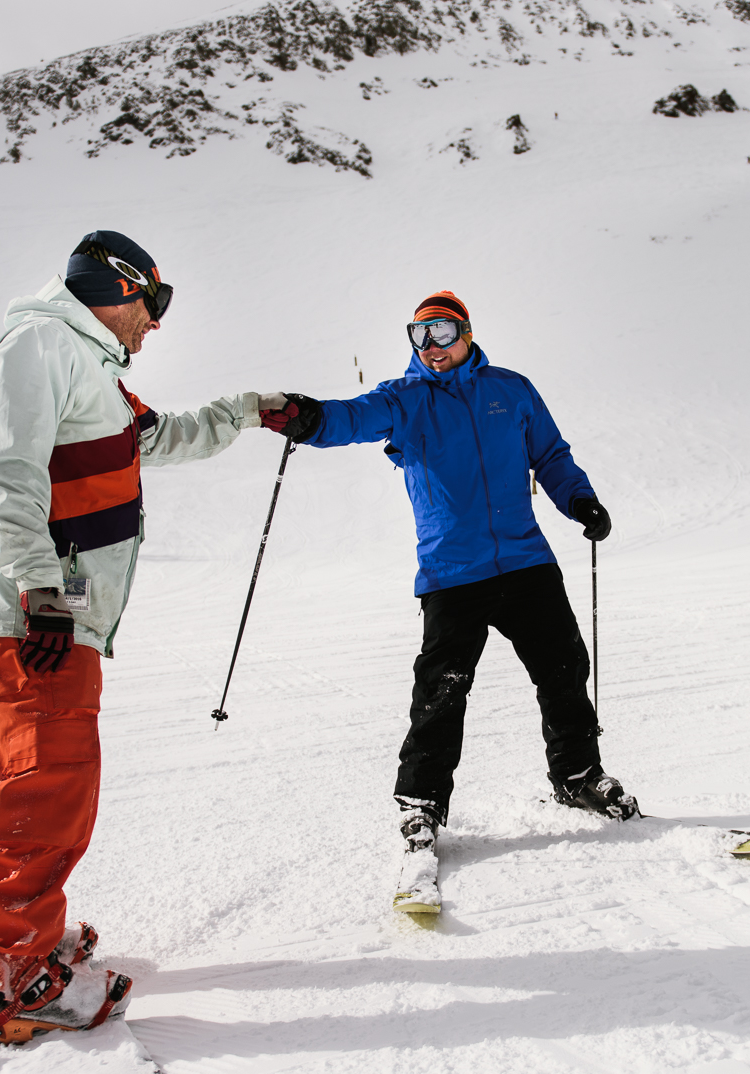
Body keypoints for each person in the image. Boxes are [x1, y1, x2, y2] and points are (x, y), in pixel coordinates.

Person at [0, 230, 289, 1042]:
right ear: (118, 289)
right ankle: (14, 973)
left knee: (42, 780)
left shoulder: (88, 365)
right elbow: (6, 469)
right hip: (34, 616)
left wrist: (245, 411)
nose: (156, 325)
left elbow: (158, 438)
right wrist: (39, 589)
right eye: (153, 303)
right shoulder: (41, 344)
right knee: (47, 787)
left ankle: (16, 931)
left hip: (53, 611)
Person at [267, 290, 635, 911]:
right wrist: (307, 416)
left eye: (441, 332)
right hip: (452, 572)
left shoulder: (510, 389)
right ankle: (421, 807)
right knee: (442, 691)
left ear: (466, 332)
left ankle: (577, 777)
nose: (431, 347)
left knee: (565, 670)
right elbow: (351, 418)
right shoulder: (406, 400)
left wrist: (580, 501)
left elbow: (550, 455)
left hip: (526, 560)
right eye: (419, 335)